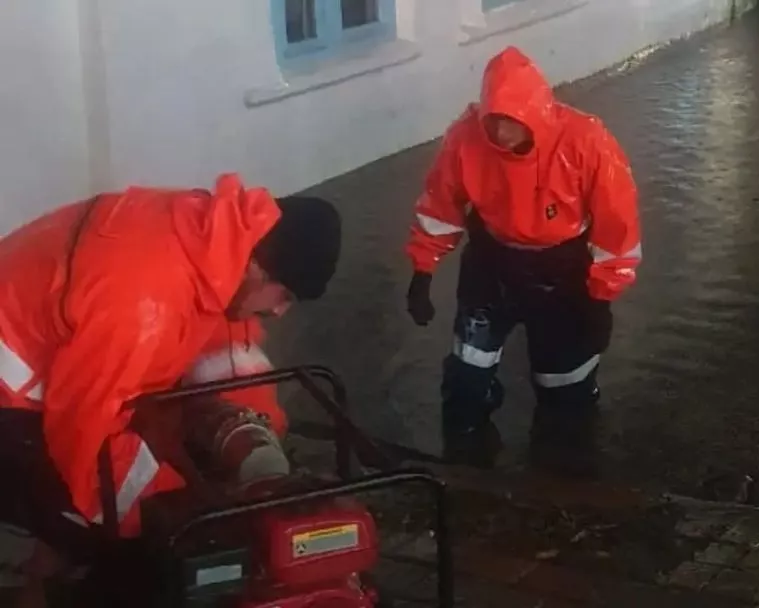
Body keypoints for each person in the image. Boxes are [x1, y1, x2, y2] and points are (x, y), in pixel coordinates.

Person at [0, 173, 341, 605]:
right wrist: (172, 518)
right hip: (14, 398)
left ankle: (42, 581)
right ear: (257, 266)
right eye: (284, 295)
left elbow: (226, 353)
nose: (278, 311)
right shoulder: (144, 300)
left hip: (66, 372)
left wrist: (257, 448)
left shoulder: (214, 243)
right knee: (107, 531)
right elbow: (88, 432)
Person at [404, 46, 642, 475]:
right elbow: (441, 206)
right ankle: (467, 472)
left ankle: (563, 478)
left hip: (564, 275)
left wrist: (602, 298)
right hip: (492, 265)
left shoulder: (586, 141)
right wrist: (423, 270)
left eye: (510, 120)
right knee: (465, 384)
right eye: (492, 119)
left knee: (565, 394)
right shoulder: (464, 140)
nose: (499, 131)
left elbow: (617, 226)